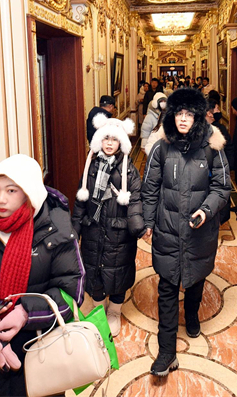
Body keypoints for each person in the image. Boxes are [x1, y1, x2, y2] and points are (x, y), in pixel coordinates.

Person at [0, 154, 84, 397]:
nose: (1, 199)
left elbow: (71, 291)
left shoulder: (55, 226)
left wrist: (25, 312)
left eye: (11, 190)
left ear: (29, 191)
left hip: (42, 343)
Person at [142, 88, 230, 377]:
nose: (183, 120)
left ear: (197, 117)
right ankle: (166, 352)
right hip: (168, 230)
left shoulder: (211, 148)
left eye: (188, 114)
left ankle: (192, 313)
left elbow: (222, 188)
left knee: (194, 279)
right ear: (171, 115)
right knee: (166, 288)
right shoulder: (161, 147)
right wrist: (148, 222)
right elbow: (150, 188)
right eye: (178, 114)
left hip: (199, 232)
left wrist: (206, 210)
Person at [73, 116, 145, 337]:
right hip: (93, 230)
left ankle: (115, 310)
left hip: (118, 235)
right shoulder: (90, 167)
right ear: (99, 141)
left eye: (115, 139)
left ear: (121, 143)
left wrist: (136, 225)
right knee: (94, 271)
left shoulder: (129, 171)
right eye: (106, 139)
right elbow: (80, 200)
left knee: (118, 273)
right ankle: (98, 307)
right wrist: (75, 229)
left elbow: (135, 200)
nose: (110, 143)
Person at [206, 99, 234, 180]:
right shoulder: (214, 129)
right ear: (209, 114)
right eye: (217, 109)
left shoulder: (219, 129)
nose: (219, 111)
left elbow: (228, 148)